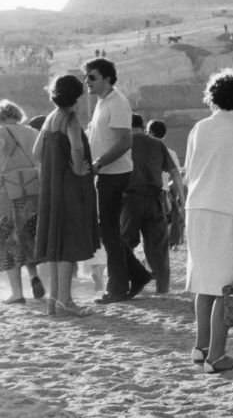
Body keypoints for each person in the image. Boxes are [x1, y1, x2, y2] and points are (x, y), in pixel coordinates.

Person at [184, 70, 233, 373]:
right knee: (225, 287)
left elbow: (190, 174)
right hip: (227, 211)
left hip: (197, 209)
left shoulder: (198, 128)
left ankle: (201, 347)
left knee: (205, 284)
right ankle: (217, 356)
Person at [33, 75, 99, 317]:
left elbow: (36, 152)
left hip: (51, 188)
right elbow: (77, 147)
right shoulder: (70, 119)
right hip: (70, 188)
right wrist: (79, 169)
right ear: (77, 96)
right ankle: (65, 301)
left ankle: (54, 300)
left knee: (56, 243)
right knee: (69, 244)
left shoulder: (50, 119)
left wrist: (52, 168)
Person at [84, 58, 147, 303]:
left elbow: (125, 141)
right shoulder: (103, 102)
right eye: (86, 77)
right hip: (106, 173)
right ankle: (137, 275)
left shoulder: (118, 102)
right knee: (108, 231)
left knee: (109, 232)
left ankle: (117, 288)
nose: (87, 81)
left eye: (92, 77)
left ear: (107, 78)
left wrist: (99, 163)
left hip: (115, 173)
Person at [0, 100, 44, 303]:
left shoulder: (0, 131)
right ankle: (34, 276)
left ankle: (17, 293)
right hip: (31, 188)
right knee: (27, 234)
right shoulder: (31, 132)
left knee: (7, 237)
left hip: (8, 190)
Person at [121, 114, 184, 294]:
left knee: (125, 244)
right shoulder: (157, 144)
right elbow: (175, 173)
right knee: (158, 247)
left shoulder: (123, 144)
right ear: (142, 126)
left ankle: (127, 281)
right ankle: (162, 288)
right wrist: (181, 199)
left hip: (130, 200)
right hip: (155, 199)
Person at [147, 120, 184, 248]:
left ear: (150, 132)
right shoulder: (171, 152)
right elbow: (176, 175)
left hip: (149, 193)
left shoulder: (144, 151)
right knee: (163, 225)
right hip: (164, 193)